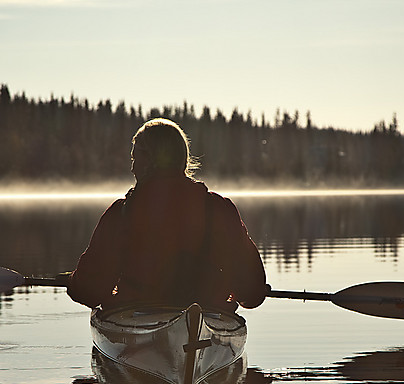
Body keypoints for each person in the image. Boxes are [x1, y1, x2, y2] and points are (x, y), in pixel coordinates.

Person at [67, 118, 266, 311]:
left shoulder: (121, 213)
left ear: (150, 161)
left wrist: (73, 282)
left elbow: (88, 292)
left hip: (137, 316)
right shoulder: (220, 209)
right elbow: (252, 294)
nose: (132, 167)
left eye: (135, 158)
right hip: (208, 315)